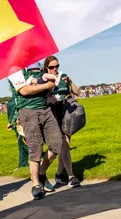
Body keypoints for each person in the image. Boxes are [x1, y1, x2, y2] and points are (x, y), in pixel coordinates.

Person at [8, 63, 75, 199]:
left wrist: (50, 82)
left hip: (46, 110)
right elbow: (24, 91)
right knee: (35, 148)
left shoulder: (38, 64)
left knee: (57, 143)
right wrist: (45, 86)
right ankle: (36, 184)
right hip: (28, 112)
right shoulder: (15, 70)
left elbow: (51, 80)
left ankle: (42, 172)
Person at [44, 55, 81, 187]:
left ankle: (59, 175)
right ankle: (70, 176)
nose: (55, 69)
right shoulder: (44, 79)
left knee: (65, 145)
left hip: (66, 112)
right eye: (51, 67)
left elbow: (77, 92)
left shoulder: (64, 76)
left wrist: (70, 82)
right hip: (53, 113)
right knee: (63, 145)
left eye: (57, 66)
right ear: (46, 68)